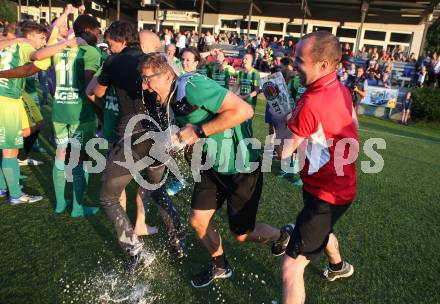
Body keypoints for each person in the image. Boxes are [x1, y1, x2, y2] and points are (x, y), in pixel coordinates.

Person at [139, 53, 290, 288]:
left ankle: (281, 235)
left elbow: (243, 111)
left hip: (241, 165)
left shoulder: (192, 86)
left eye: (148, 79)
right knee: (199, 221)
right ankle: (220, 265)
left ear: (167, 75)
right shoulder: (169, 98)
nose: (144, 86)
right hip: (211, 166)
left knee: (241, 234)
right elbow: (192, 125)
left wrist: (198, 132)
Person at [90, 23, 186, 270]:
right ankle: (178, 239)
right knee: (156, 189)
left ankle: (136, 253)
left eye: (110, 42)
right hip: (161, 138)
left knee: (108, 197)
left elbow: (95, 92)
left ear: (121, 40)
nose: (108, 46)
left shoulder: (114, 62)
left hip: (133, 137)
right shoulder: (158, 66)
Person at [271, 31, 357, 304]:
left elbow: (282, 153)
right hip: (340, 187)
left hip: (325, 195)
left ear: (322, 65)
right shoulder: (340, 89)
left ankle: (335, 265)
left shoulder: (312, 100)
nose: (294, 64)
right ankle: (337, 266)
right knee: (323, 229)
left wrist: (278, 123)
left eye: (300, 60)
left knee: (290, 268)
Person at [0, 21, 49, 205]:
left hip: (4, 98)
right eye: (41, 37)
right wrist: (59, 46)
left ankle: (3, 187)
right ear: (29, 36)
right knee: (10, 150)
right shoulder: (23, 45)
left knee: (6, 146)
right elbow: (37, 56)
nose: (43, 42)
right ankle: (15, 194)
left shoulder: (8, 46)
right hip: (7, 101)